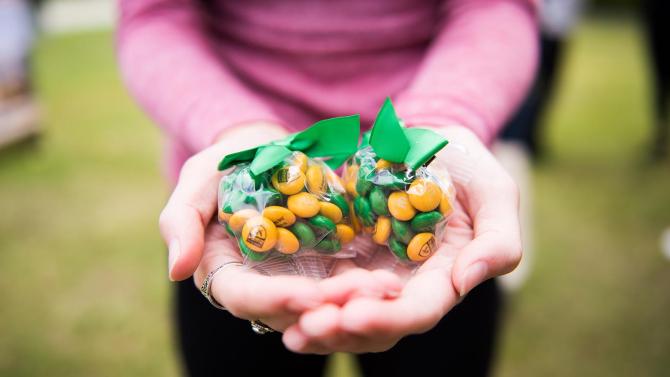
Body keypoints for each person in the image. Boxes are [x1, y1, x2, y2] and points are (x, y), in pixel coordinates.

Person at [117, 0, 538, 375]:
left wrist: (443, 121)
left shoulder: (422, 203)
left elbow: (494, 8)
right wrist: (236, 131)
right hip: (226, 200)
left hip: (426, 163)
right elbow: (155, 17)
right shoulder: (247, 206)